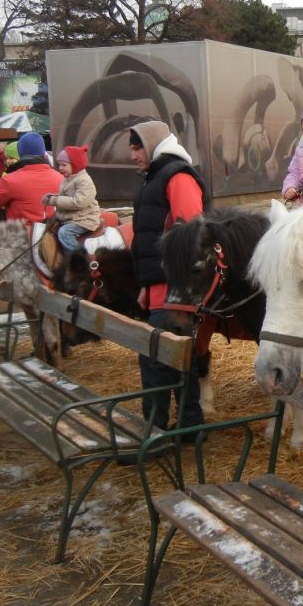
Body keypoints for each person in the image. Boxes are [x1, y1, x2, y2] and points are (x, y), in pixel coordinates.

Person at [129, 120, 210, 433]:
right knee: (177, 356)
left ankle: (155, 430)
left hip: (175, 286)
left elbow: (189, 231)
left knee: (155, 357)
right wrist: (146, 287)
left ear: (151, 144)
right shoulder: (156, 176)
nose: (133, 155)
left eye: (137, 147)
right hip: (159, 284)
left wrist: (177, 288)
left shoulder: (176, 176)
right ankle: (191, 425)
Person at [0, 132, 63, 224]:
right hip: (52, 234)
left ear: (20, 153)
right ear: (43, 153)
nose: (8, 161)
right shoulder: (60, 178)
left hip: (22, 235)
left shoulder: (10, 180)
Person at [42, 145, 101, 253]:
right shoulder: (68, 179)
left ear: (75, 165)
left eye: (64, 165)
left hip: (85, 219)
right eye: (59, 165)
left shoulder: (84, 180)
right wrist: (51, 197)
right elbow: (67, 197)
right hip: (73, 217)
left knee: (65, 233)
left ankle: (79, 258)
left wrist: (55, 200)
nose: (60, 168)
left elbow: (79, 202)